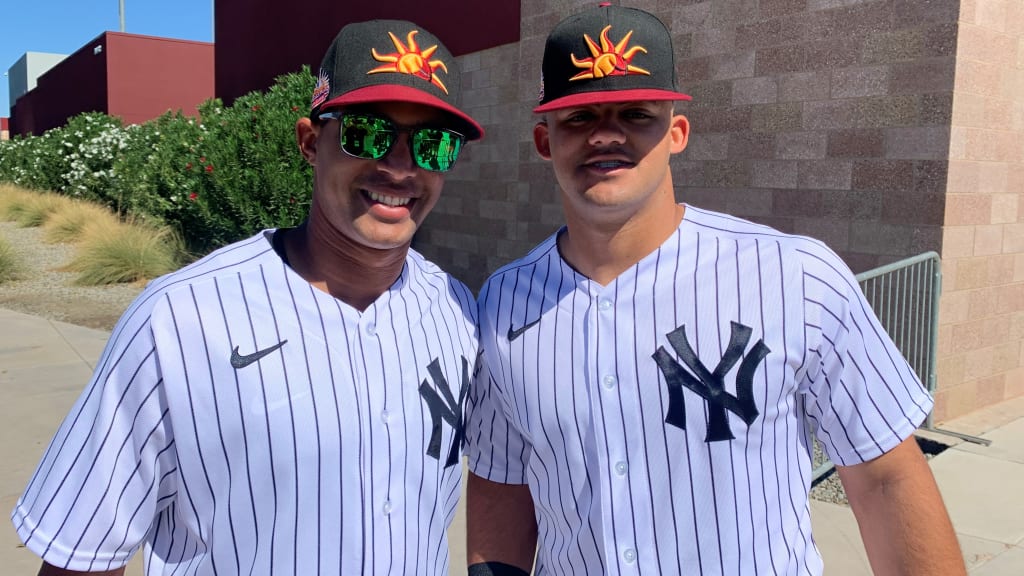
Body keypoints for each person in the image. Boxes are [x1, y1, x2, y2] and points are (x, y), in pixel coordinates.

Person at [465, 4, 965, 575]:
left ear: (677, 132)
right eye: (578, 117)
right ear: (544, 141)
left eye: (635, 113)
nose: (606, 134)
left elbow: (885, 480)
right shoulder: (503, 303)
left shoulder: (794, 276)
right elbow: (500, 484)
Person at [12, 19, 482, 576]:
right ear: (311, 141)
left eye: (434, 143)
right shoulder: (181, 317)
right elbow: (82, 555)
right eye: (366, 134)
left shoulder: (455, 308)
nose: (401, 167)